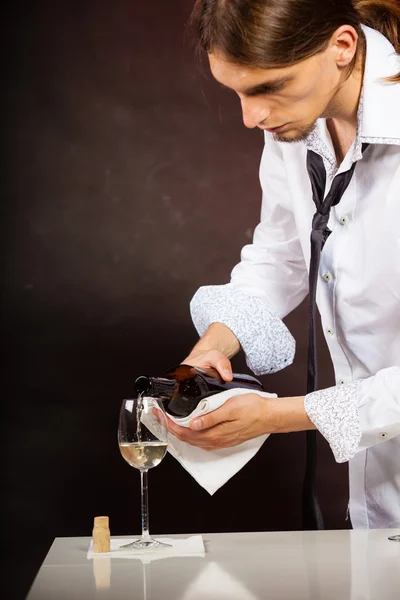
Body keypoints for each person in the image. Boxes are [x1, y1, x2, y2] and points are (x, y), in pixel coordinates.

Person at [166, 0, 400, 530]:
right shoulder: (300, 121)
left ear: (342, 47)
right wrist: (216, 343)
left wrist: (277, 415)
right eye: (239, 92)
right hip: (384, 490)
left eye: (268, 87)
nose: (252, 117)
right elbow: (283, 254)